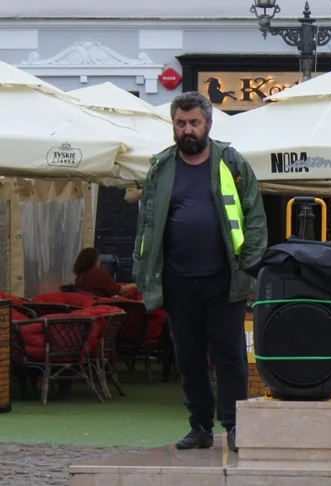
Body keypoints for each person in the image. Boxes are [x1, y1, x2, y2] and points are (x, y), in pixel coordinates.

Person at [131, 91, 267, 453]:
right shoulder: (161, 168)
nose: (187, 130)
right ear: (173, 126)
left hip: (225, 278)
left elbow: (254, 216)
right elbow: (145, 224)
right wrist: (143, 269)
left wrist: (249, 264)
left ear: (208, 123)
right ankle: (200, 427)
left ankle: (236, 426)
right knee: (188, 356)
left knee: (230, 355)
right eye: (181, 123)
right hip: (177, 280)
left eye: (194, 123)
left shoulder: (231, 163)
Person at [73, 247, 137, 298]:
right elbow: (120, 290)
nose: (100, 261)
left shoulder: (79, 276)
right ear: (94, 260)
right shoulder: (98, 273)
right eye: (98, 258)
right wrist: (134, 285)